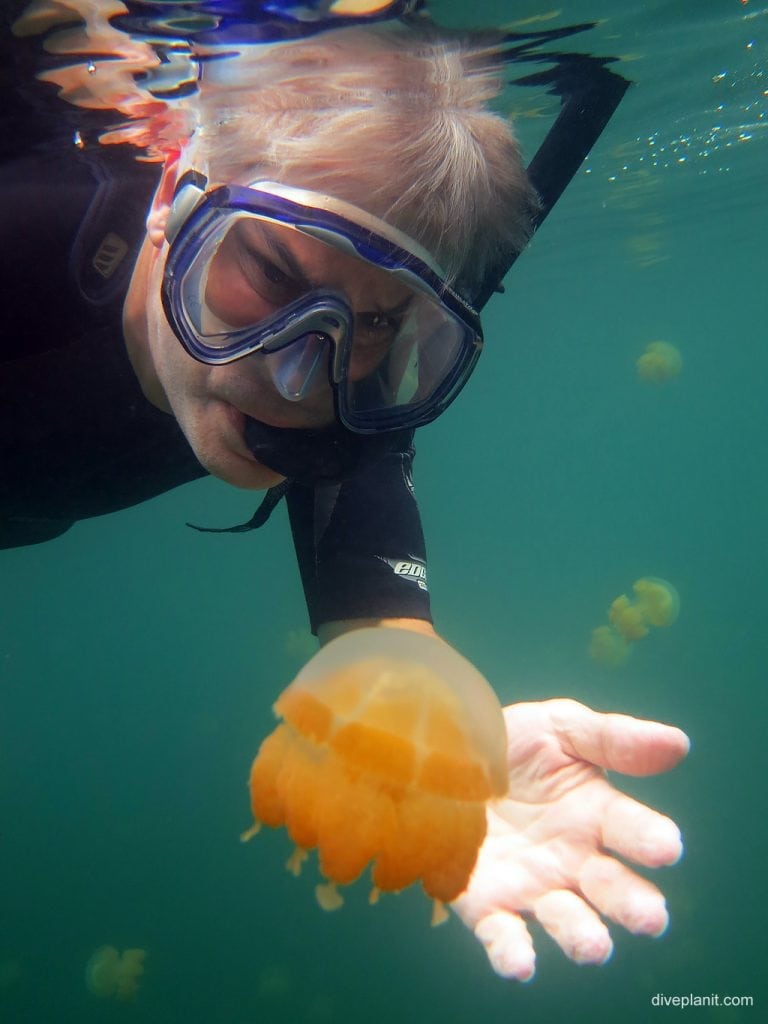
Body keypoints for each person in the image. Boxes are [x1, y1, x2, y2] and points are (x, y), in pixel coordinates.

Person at [1, 2, 689, 980]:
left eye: (371, 328)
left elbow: (384, 640)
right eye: (273, 270)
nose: (298, 380)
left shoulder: (340, 407)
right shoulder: (22, 234)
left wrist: (443, 770)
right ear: (172, 201)